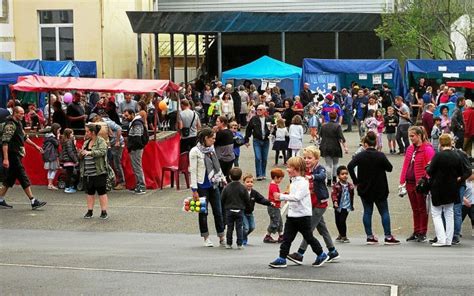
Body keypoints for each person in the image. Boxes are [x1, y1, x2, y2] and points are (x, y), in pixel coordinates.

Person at [269, 156, 328, 268]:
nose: (287, 169)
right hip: (292, 215)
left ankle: (321, 254)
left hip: (302, 216)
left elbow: (297, 197)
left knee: (308, 237)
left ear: (296, 169)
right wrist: (285, 196)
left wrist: (281, 196)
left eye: (289, 167)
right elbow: (293, 196)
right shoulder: (294, 181)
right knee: (287, 238)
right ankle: (282, 258)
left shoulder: (303, 182)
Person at [287, 146, 340, 265]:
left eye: (309, 158)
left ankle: (300, 254)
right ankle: (332, 251)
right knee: (322, 229)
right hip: (310, 204)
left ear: (316, 159)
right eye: (305, 157)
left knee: (308, 229)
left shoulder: (319, 169)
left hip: (320, 203)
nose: (306, 160)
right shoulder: (304, 170)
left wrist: (312, 177)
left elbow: (322, 176)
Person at [347, 132, 400, 245]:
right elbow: (389, 168)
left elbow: (350, 166)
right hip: (380, 187)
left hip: (365, 187)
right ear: (376, 143)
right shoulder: (380, 155)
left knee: (367, 212)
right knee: (384, 212)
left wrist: (356, 181)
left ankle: (370, 236)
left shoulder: (360, 156)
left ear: (365, 144)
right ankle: (388, 236)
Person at [0, 107, 46, 210]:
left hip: (16, 153)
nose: (22, 115)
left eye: (23, 113)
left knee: (9, 179)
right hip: (12, 154)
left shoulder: (18, 123)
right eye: (20, 113)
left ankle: (0, 199)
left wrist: (36, 146)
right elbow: (5, 142)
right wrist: (6, 158)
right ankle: (33, 200)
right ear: (15, 113)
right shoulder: (10, 125)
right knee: (22, 176)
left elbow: (25, 137)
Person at [189, 128, 225, 247]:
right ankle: (206, 237)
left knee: (218, 211)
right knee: (203, 212)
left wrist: (222, 178)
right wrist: (194, 189)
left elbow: (216, 166)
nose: (214, 141)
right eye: (212, 138)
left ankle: (221, 235)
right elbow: (193, 171)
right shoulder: (195, 151)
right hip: (201, 186)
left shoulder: (211, 149)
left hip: (213, 183)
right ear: (205, 138)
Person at [399, 126, 435, 242]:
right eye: (410, 136)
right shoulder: (410, 148)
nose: (411, 138)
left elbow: (431, 167)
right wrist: (401, 181)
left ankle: (422, 231)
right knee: (415, 208)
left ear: (419, 135)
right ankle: (416, 230)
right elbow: (405, 165)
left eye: (412, 136)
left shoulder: (427, 149)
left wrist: (427, 181)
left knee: (422, 208)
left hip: (420, 183)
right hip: (410, 182)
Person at [426, 134, 463, 246]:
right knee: (449, 213)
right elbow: (460, 172)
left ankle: (441, 239)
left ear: (441, 143)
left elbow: (430, 171)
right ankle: (448, 239)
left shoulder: (438, 156)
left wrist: (428, 166)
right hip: (452, 187)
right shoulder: (457, 155)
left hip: (438, 187)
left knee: (436, 213)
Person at [79, 124, 109, 220]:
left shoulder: (101, 141)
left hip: (99, 171)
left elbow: (102, 151)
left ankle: (104, 211)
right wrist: (81, 154)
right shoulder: (86, 142)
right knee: (89, 192)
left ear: (92, 132)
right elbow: (82, 156)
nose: (86, 133)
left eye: (87, 131)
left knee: (101, 192)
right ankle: (89, 211)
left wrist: (90, 152)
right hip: (88, 172)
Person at [221, 167, 250, 249]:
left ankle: (229, 243)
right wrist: (247, 207)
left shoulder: (227, 187)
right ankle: (239, 243)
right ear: (241, 177)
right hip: (239, 209)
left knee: (229, 227)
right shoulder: (243, 187)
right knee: (239, 227)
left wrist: (224, 207)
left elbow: (222, 199)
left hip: (229, 209)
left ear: (230, 177)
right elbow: (247, 199)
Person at [242, 173, 272, 246]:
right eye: (248, 182)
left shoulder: (254, 193)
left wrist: (269, 203)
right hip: (242, 212)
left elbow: (261, 199)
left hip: (250, 212)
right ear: (244, 182)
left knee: (252, 227)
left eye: (251, 182)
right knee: (246, 227)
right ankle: (243, 239)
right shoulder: (241, 192)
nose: (250, 184)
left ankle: (242, 236)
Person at [319, 111, 348, 186]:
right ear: (336, 117)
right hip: (335, 146)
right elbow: (341, 138)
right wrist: (345, 147)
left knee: (328, 165)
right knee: (335, 164)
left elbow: (320, 136)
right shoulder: (337, 126)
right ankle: (334, 179)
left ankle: (328, 181)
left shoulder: (324, 126)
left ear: (329, 117)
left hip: (325, 146)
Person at [244, 104, 272, 181]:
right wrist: (246, 140)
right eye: (257, 110)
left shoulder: (269, 118)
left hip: (266, 140)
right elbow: (248, 129)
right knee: (258, 157)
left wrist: (273, 134)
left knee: (265, 158)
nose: (258, 111)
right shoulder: (254, 119)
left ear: (264, 111)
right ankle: (258, 175)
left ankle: (263, 174)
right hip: (257, 140)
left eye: (260, 110)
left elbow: (274, 129)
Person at [123, 109, 147, 194]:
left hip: (136, 149)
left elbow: (137, 138)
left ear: (132, 114)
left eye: (127, 115)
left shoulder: (136, 123)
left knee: (137, 167)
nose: (125, 117)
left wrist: (132, 147)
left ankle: (141, 186)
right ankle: (138, 185)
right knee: (136, 167)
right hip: (134, 148)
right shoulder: (135, 122)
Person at [331, 165, 354, 243]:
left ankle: (344, 236)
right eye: (342, 174)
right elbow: (333, 194)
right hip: (338, 206)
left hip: (346, 206)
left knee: (342, 220)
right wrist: (335, 201)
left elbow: (352, 196)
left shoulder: (350, 186)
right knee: (337, 221)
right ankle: (340, 234)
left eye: (346, 174)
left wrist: (351, 205)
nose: (345, 176)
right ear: (338, 176)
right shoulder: (336, 186)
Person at [264, 168, 285, 243]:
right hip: (273, 207)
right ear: (276, 177)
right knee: (275, 222)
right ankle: (268, 235)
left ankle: (281, 235)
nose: (281, 180)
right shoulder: (273, 186)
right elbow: (276, 197)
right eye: (280, 179)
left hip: (276, 207)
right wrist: (285, 196)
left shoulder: (274, 185)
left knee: (279, 221)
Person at [42, 123, 61, 190]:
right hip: (52, 155)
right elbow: (57, 144)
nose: (59, 132)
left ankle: (49, 184)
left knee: (50, 170)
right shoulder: (52, 137)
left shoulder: (47, 136)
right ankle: (50, 184)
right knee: (54, 169)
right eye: (58, 130)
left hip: (47, 155)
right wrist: (58, 137)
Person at [60, 128, 79, 193]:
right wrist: (75, 160)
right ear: (68, 134)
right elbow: (70, 152)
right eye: (72, 134)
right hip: (69, 160)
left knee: (69, 174)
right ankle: (67, 187)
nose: (73, 135)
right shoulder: (69, 141)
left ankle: (68, 187)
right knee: (69, 174)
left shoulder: (65, 141)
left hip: (67, 160)